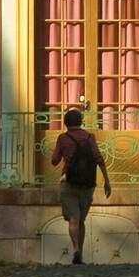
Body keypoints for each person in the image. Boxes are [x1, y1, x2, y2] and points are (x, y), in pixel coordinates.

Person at [48, 107, 110, 264]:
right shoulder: (90, 137)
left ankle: (76, 249)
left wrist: (60, 154)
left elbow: (54, 160)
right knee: (81, 220)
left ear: (66, 123)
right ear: (81, 122)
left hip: (69, 183)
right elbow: (99, 158)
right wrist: (107, 182)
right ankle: (80, 254)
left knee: (73, 219)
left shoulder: (63, 138)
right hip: (88, 184)